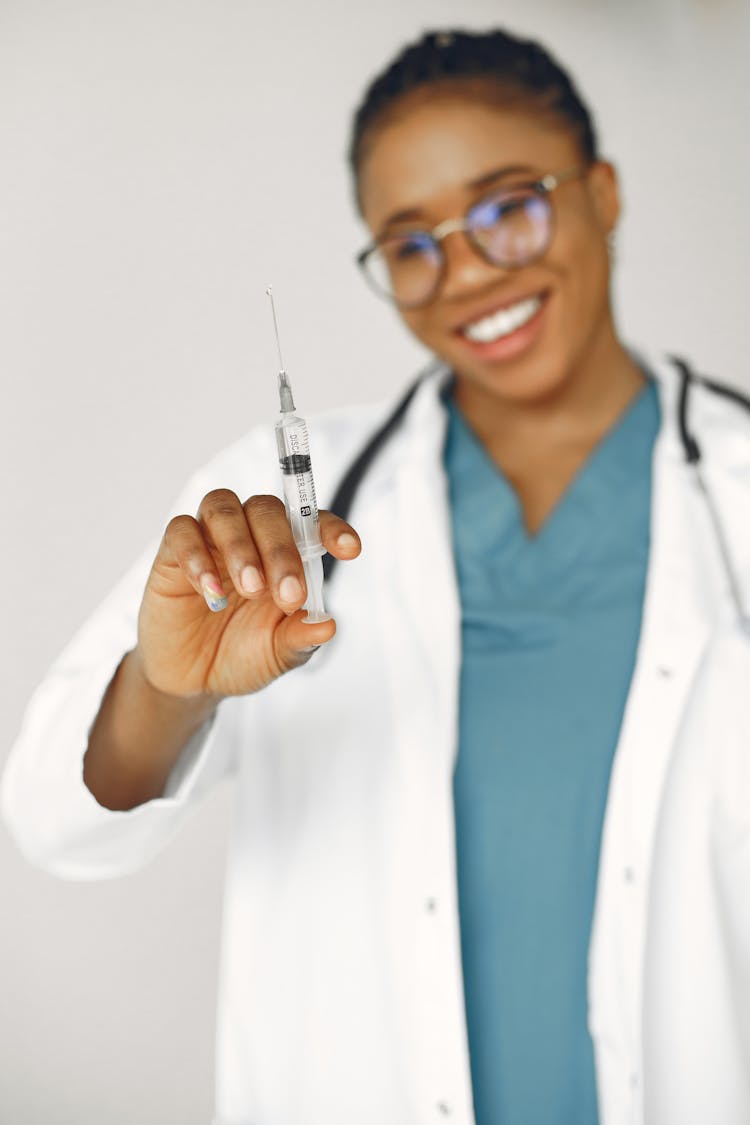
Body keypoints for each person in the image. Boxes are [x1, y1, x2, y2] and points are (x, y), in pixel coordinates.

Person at [3, 26, 750, 1125]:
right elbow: (53, 826)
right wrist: (168, 692)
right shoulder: (267, 514)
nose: (467, 274)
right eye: (411, 243)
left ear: (602, 192)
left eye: (508, 206)